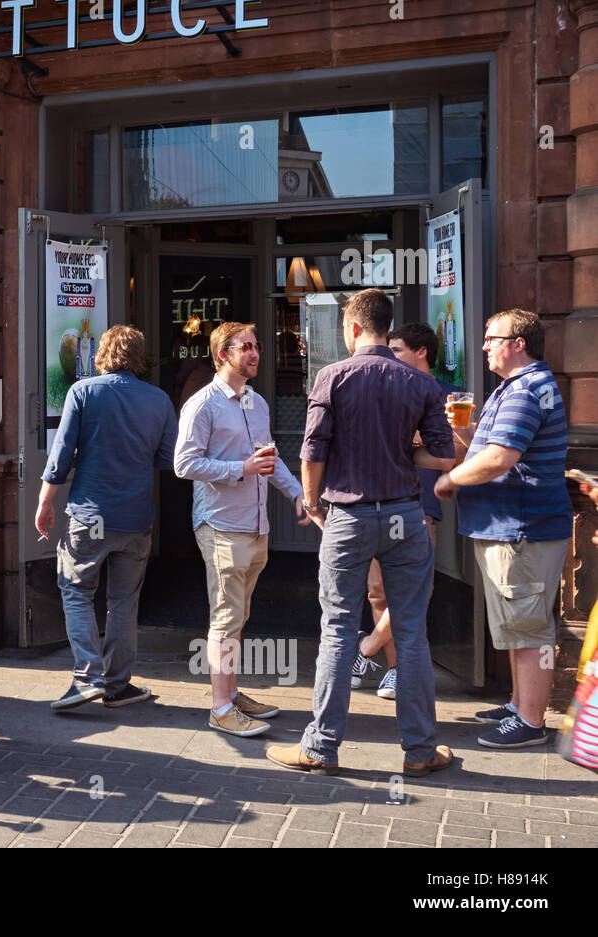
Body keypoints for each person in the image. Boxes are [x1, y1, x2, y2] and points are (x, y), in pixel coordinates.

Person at [268, 288, 456, 777]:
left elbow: (312, 452)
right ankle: (419, 751)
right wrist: (401, 449)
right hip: (404, 515)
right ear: (386, 330)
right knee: (411, 635)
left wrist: (312, 505)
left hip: (348, 515)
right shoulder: (419, 383)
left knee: (336, 631)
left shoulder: (332, 377)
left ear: (351, 329)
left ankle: (320, 748)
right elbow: (442, 456)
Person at [434, 309, 572, 749]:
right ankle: (518, 705)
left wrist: (449, 479)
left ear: (519, 343)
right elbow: (492, 444)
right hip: (513, 528)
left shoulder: (525, 389)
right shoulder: (517, 387)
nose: (484, 345)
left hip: (522, 529)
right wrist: (463, 427)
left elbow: (499, 458)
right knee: (517, 623)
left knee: (528, 628)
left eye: (492, 338)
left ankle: (530, 721)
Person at [174, 321, 308, 737]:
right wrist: (241, 469)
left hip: (255, 523)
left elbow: (270, 459)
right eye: (245, 347)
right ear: (222, 355)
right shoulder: (203, 404)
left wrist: (298, 494)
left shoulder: (257, 403)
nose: (254, 353)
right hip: (221, 525)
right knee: (226, 618)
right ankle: (219, 707)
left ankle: (230, 693)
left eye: (256, 345)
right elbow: (184, 464)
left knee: (238, 615)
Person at [35, 325, 178, 711]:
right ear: (138, 357)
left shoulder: (83, 392)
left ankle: (87, 677)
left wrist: (45, 502)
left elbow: (61, 454)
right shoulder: (159, 399)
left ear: (102, 355)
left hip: (90, 514)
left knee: (77, 591)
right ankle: (116, 686)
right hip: (135, 516)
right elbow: (168, 460)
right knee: (123, 602)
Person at [351, 322, 461, 700]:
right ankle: (395, 670)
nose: (390, 356)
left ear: (422, 352)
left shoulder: (448, 396)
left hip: (419, 507)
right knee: (379, 594)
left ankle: (367, 649)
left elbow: (457, 453)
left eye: (396, 349)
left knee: (414, 593)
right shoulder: (385, 390)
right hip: (376, 503)